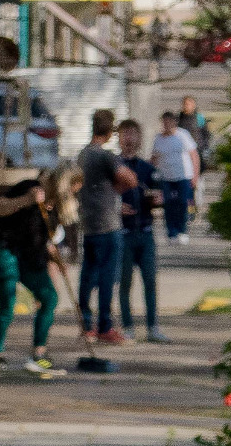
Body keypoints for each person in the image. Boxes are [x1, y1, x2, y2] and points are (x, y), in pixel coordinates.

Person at [0, 168, 60, 372]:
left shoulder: (55, 209)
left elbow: (42, 241)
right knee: (7, 305)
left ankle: (39, 353)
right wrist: (26, 200)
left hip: (28, 257)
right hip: (2, 249)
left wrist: (51, 256)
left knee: (50, 297)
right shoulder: (28, 188)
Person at [75, 109, 137, 344]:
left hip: (89, 223)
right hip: (108, 223)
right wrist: (117, 187)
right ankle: (105, 326)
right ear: (110, 132)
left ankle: (86, 325)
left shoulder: (83, 154)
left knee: (87, 275)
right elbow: (130, 179)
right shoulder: (105, 156)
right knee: (107, 277)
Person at [117, 119, 168, 342]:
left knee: (150, 281)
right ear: (119, 138)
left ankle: (153, 327)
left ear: (139, 139)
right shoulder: (114, 167)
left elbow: (158, 195)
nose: (129, 139)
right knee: (125, 282)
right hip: (123, 233)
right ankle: (127, 326)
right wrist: (116, 207)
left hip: (145, 232)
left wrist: (157, 199)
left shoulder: (147, 169)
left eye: (133, 134)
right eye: (125, 134)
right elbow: (103, 196)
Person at [152, 110, 201, 241]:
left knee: (182, 202)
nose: (167, 125)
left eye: (169, 122)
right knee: (168, 204)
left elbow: (194, 155)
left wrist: (195, 175)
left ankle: (182, 230)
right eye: (164, 122)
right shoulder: (158, 138)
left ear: (174, 122)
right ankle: (171, 231)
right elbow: (154, 158)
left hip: (183, 176)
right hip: (166, 177)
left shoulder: (183, 135)